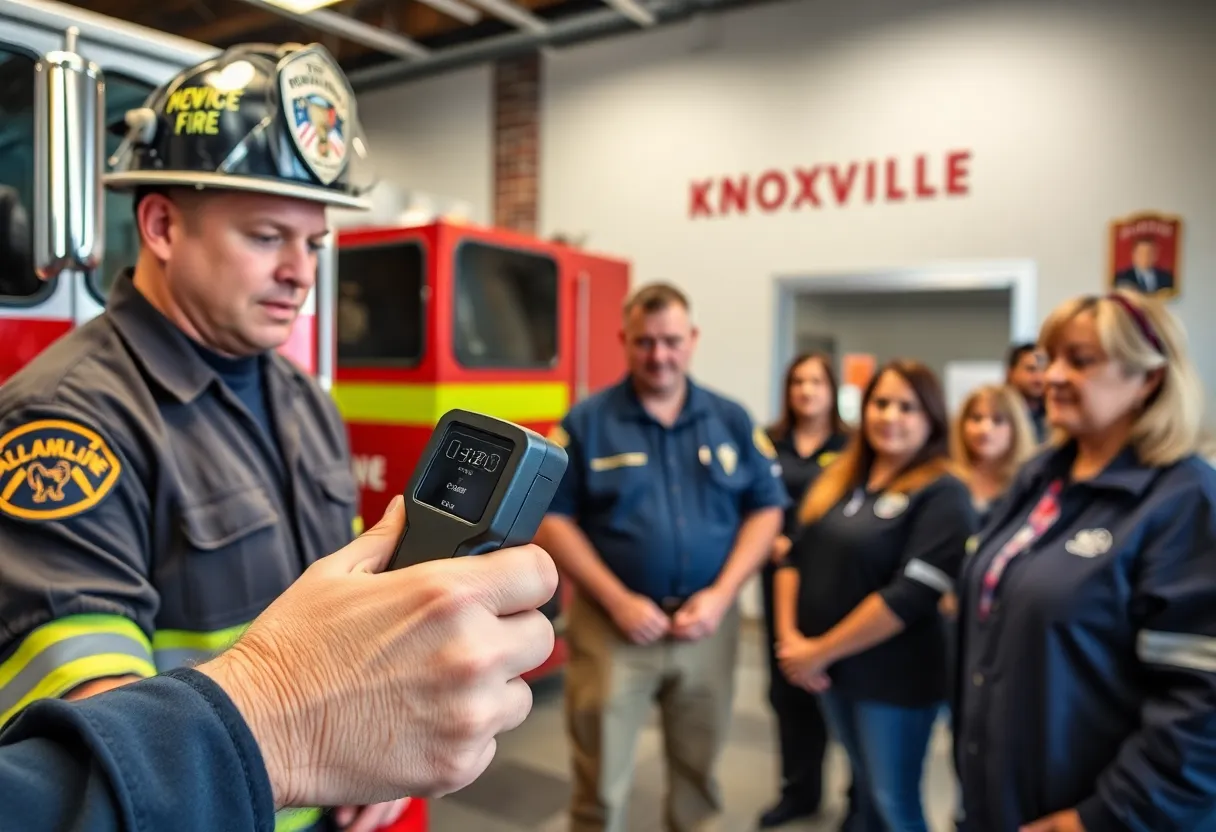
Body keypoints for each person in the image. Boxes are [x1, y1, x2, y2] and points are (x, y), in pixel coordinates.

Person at [0, 42, 400, 832]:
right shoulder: (66, 421)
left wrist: (384, 738)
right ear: (160, 225)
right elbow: (101, 732)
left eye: (313, 244)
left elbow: (356, 603)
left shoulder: (302, 400)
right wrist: (327, 739)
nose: (301, 271)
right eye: (265, 236)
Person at [0, 497, 560, 830]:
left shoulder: (304, 398)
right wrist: (287, 721)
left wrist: (379, 728)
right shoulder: (67, 408)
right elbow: (80, 688)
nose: (302, 287)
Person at [954, 290, 1216, 832]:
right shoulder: (1040, 476)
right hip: (1001, 795)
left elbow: (1203, 702)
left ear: (1149, 379)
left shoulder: (1183, 500)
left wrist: (1102, 817)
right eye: (1051, 360)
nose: (1051, 377)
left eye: (1081, 360)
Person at [535, 282, 787, 832]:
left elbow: (766, 510)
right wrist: (618, 600)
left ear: (692, 339)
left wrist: (723, 597)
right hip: (611, 628)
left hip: (708, 628)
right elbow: (554, 517)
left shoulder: (732, 420)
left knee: (699, 779)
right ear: (624, 340)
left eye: (671, 340)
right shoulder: (587, 422)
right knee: (599, 785)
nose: (660, 355)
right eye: (646, 342)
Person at [774, 359, 977, 832]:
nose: (890, 416)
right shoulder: (842, 479)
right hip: (832, 674)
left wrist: (817, 652)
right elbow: (793, 557)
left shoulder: (945, 493)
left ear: (931, 418)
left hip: (895, 682)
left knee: (894, 802)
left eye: (907, 407)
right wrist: (791, 642)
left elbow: (908, 596)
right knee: (865, 790)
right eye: (881, 403)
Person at [758, 352, 851, 829]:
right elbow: (750, 498)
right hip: (779, 583)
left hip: (836, 583)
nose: (807, 391)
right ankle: (800, 791)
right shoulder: (769, 442)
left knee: (845, 688)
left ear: (831, 389)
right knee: (787, 687)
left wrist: (799, 539)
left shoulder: (853, 443)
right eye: (798, 382)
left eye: (816, 382)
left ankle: (860, 797)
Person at [950, 383, 1038, 527]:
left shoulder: (1030, 484)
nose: (985, 429)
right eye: (976, 418)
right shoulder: (948, 480)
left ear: (1016, 428)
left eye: (998, 420)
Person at [1006, 342, 1048, 443]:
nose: (1039, 378)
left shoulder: (1053, 416)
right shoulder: (998, 413)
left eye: (1044, 370)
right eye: (1031, 369)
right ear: (1011, 373)